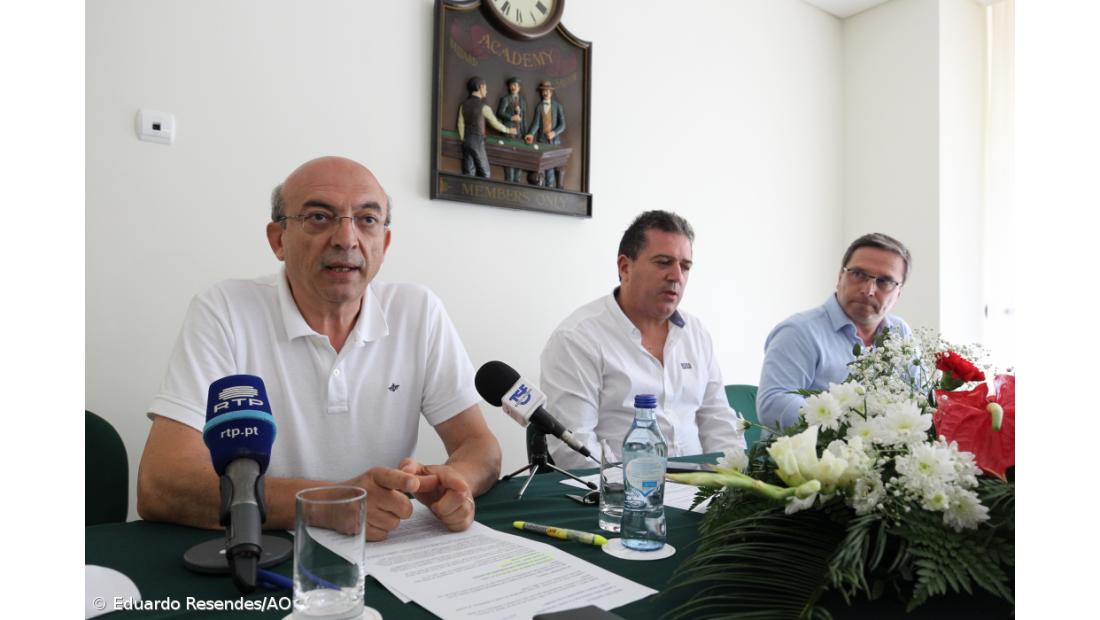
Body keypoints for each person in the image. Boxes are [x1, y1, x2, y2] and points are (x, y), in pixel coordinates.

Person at [136, 156, 502, 541]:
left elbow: (480, 446)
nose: (347, 239)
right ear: (278, 239)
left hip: (383, 552)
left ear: (384, 242)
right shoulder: (225, 310)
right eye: (319, 217)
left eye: (367, 219)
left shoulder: (418, 311)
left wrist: (456, 481)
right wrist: (330, 503)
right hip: (262, 549)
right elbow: (161, 483)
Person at [540, 211, 746, 469]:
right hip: (621, 489)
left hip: (700, 488)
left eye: (685, 266)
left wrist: (734, 481)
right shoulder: (577, 338)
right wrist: (637, 487)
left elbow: (718, 423)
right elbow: (575, 451)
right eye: (663, 262)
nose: (677, 276)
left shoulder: (696, 333)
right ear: (625, 267)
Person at [757, 232, 913, 432]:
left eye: (884, 281)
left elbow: (918, 399)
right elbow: (773, 404)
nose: (868, 290)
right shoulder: (798, 332)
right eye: (858, 274)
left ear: (898, 293)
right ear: (840, 277)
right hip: (808, 452)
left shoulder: (900, 332)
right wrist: (852, 427)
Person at [458, 76, 517, 178]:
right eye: (485, 88)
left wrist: (463, 139)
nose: (486, 91)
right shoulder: (484, 107)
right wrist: (508, 130)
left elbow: (460, 124)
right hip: (477, 142)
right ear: (481, 87)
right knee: (485, 173)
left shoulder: (463, 105)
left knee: (469, 173)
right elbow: (495, 123)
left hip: (466, 142)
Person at [523, 80, 566, 188]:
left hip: (554, 142)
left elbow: (563, 125)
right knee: (542, 166)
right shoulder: (539, 107)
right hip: (542, 141)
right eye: (543, 91)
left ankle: (549, 188)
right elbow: (536, 124)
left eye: (547, 91)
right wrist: (531, 134)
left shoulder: (557, 106)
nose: (545, 93)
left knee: (550, 167)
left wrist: (554, 133)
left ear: (551, 92)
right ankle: (542, 188)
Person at [496, 77, 528, 183]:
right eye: (511, 85)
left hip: (519, 134)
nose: (513, 87)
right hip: (508, 132)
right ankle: (509, 181)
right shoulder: (505, 99)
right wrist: (511, 117)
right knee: (509, 158)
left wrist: (526, 134)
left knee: (519, 158)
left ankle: (517, 181)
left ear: (519, 88)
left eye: (515, 85)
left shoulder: (522, 101)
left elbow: (524, 119)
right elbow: (500, 113)